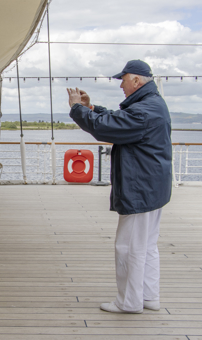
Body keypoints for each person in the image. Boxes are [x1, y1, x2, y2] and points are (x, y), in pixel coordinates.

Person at [66, 60, 172, 314]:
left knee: (129, 247)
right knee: (146, 245)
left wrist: (77, 110)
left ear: (136, 80)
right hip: (152, 187)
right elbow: (118, 119)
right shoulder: (150, 105)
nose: (121, 85)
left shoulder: (144, 110)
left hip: (140, 188)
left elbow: (106, 127)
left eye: (122, 80)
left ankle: (129, 302)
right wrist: (90, 107)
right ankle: (148, 296)